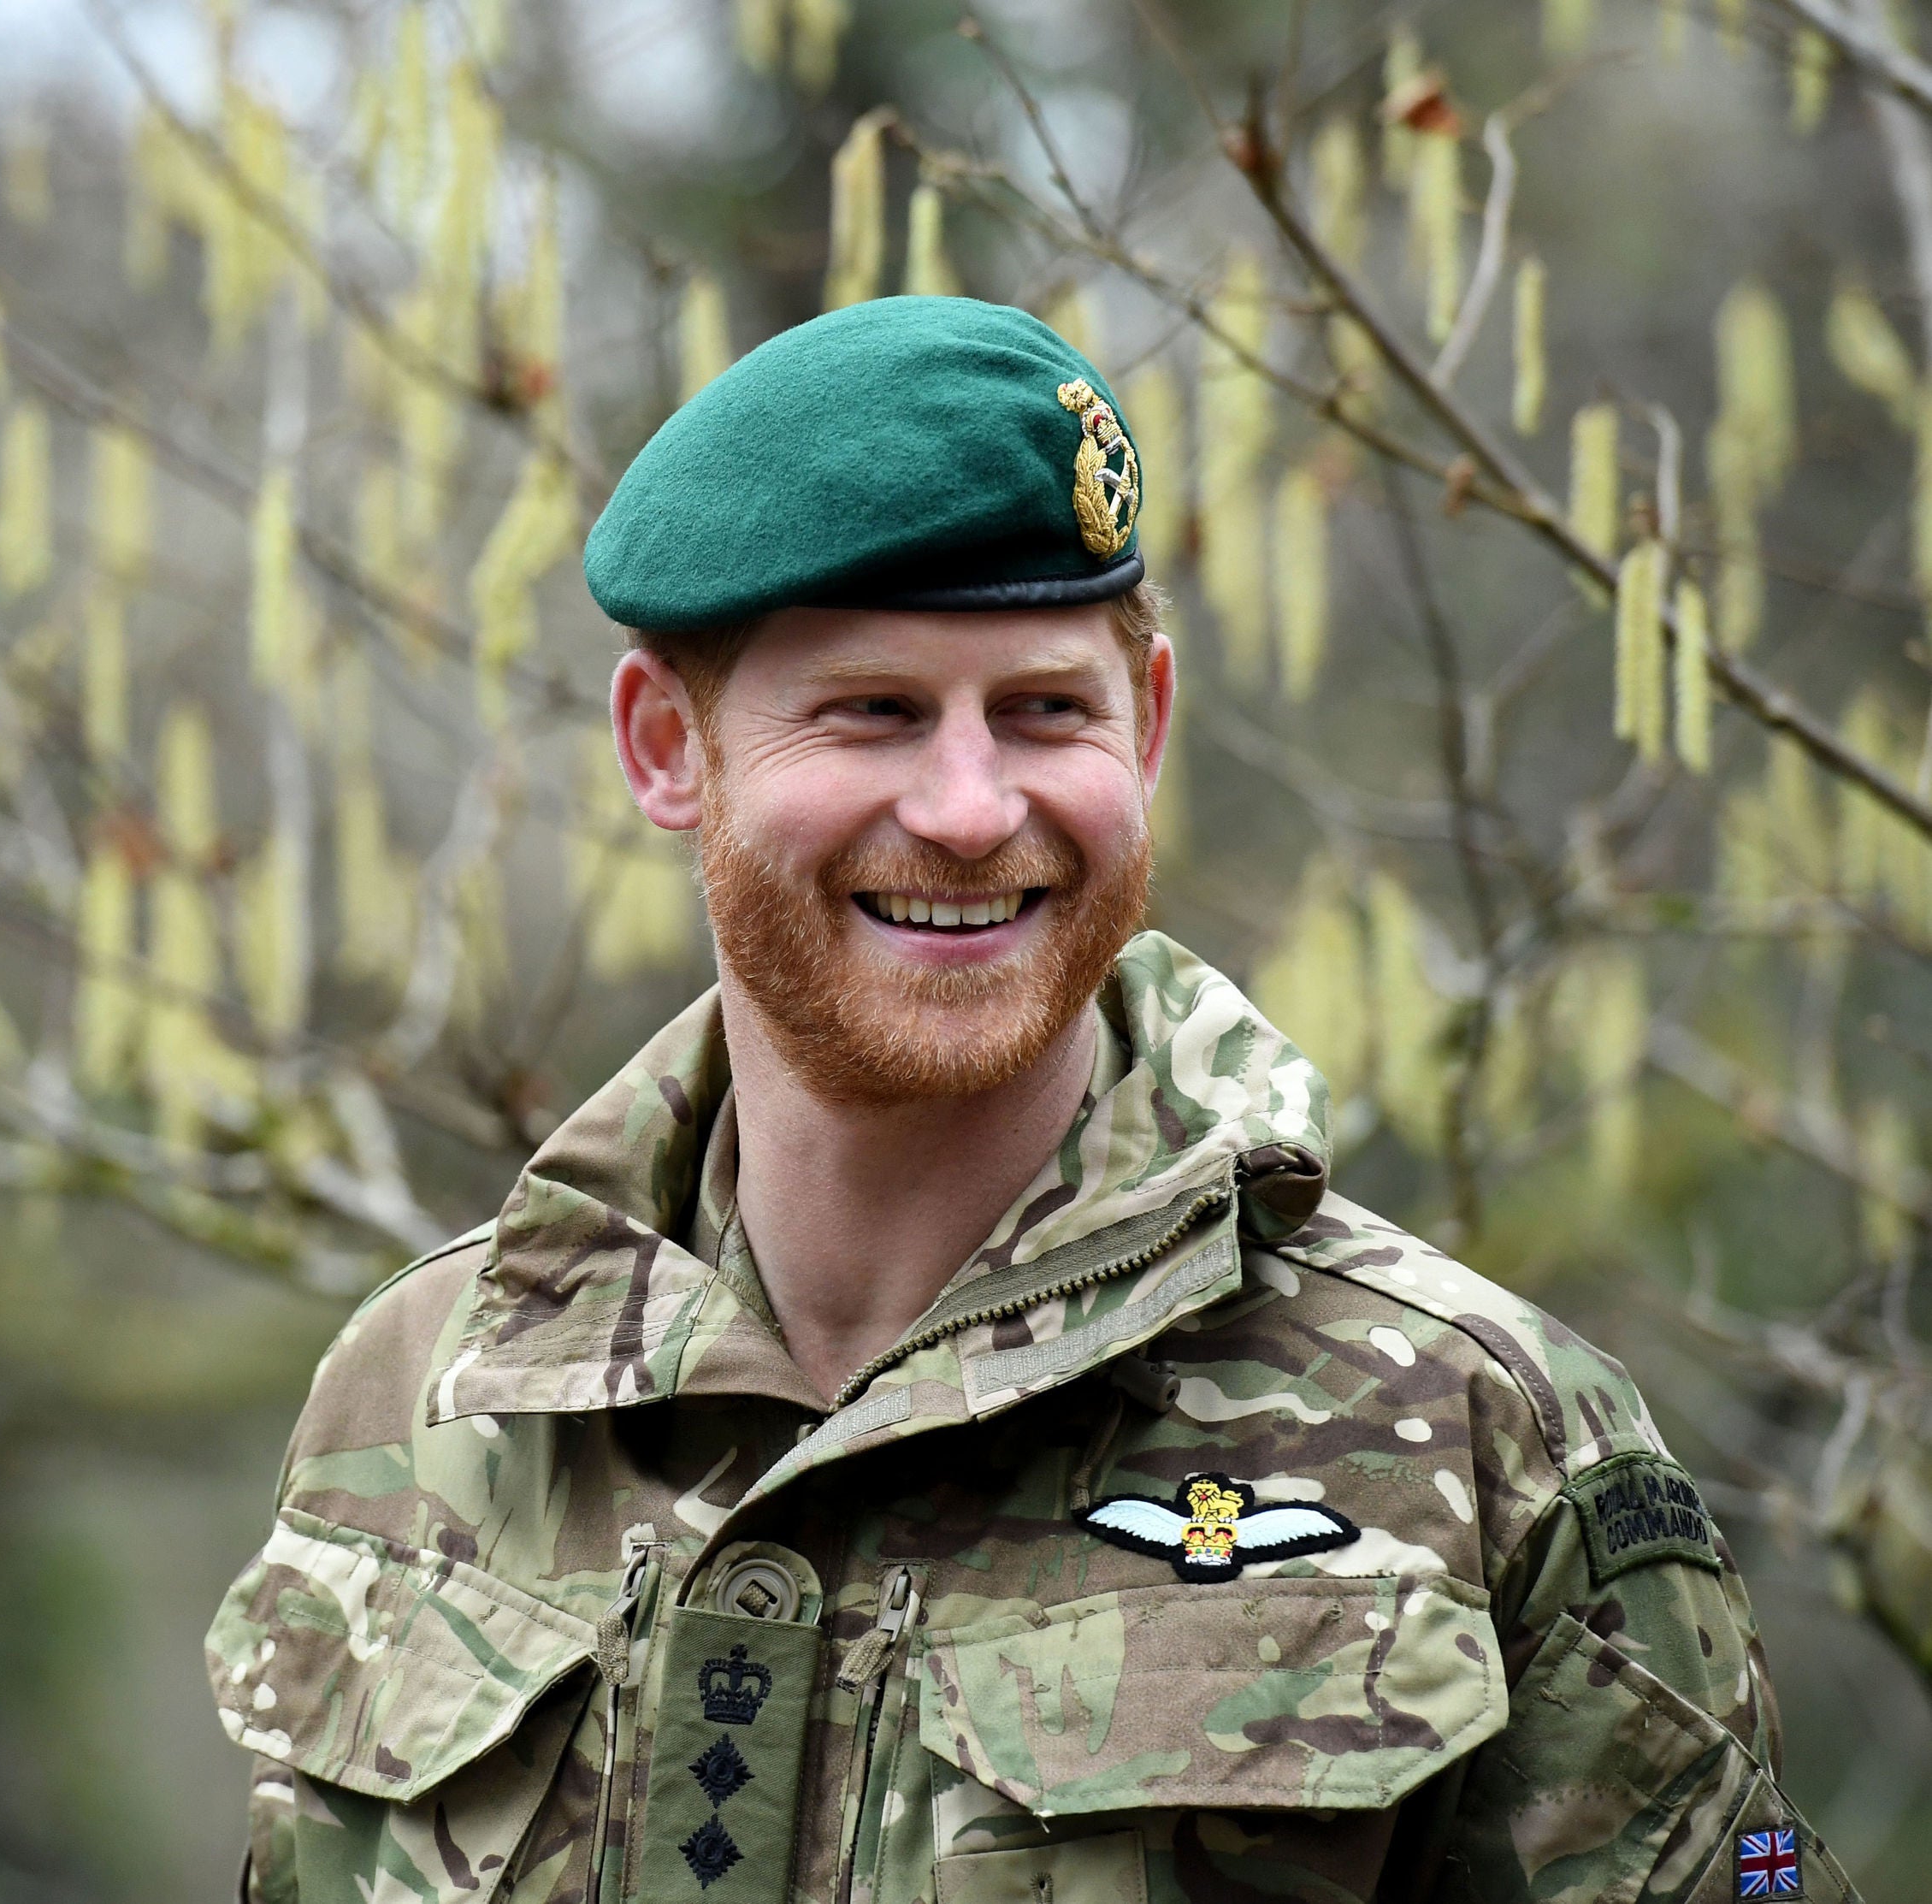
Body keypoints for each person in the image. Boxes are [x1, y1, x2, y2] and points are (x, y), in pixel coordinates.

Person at [205, 297, 1853, 1904]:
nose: (972, 807)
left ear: (1147, 730)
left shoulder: (1486, 1439)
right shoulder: (428, 1402)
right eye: (874, 711)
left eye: (1046, 710)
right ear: (666, 746)